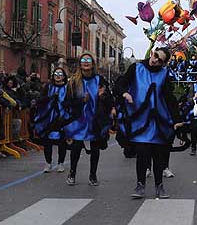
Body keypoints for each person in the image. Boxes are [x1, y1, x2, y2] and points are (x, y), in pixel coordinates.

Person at [115, 47, 182, 199]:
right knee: (142, 153)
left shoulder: (164, 74)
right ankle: (140, 185)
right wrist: (125, 93)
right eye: (156, 56)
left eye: (160, 60)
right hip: (139, 120)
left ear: (163, 63)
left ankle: (159, 186)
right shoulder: (136, 68)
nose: (156, 60)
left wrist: (177, 119)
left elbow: (169, 98)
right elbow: (120, 84)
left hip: (158, 121)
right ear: (153, 52)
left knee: (158, 154)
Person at [64, 53, 114, 186]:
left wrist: (102, 96)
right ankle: (72, 173)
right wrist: (81, 100)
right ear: (80, 64)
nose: (86, 62)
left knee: (95, 148)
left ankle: (93, 175)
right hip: (79, 120)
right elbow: (67, 102)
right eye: (83, 60)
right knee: (76, 147)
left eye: (88, 60)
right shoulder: (73, 81)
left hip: (95, 120)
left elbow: (109, 100)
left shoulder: (100, 80)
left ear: (92, 64)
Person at [34, 68, 68, 173]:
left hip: (62, 118)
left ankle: (61, 163)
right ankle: (48, 163)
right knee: (47, 141)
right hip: (48, 118)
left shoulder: (68, 88)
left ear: (63, 76)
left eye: (60, 74)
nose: (58, 76)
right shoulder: (48, 87)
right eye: (56, 74)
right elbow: (41, 99)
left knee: (62, 142)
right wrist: (51, 97)